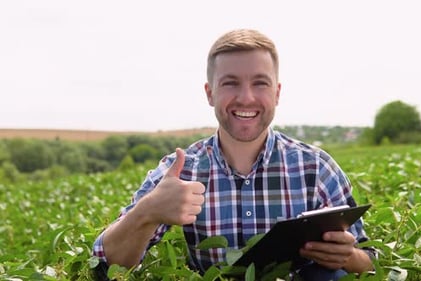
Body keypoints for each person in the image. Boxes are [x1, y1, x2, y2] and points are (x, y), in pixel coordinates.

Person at [93, 28, 376, 280]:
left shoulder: (315, 168)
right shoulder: (180, 171)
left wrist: (348, 256)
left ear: (277, 93)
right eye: (230, 83)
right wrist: (149, 210)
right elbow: (107, 264)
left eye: (260, 83)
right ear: (210, 93)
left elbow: (370, 260)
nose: (246, 98)